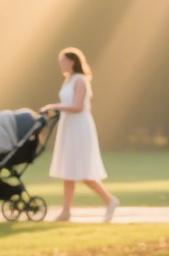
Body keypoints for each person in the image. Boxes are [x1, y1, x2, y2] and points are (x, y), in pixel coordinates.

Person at [40, 48, 119, 222]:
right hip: (69, 126)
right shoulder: (68, 80)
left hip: (79, 128)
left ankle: (109, 200)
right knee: (68, 170)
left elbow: (78, 107)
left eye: (63, 61)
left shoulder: (80, 80)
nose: (61, 64)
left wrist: (54, 106)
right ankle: (66, 211)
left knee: (82, 170)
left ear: (72, 62)